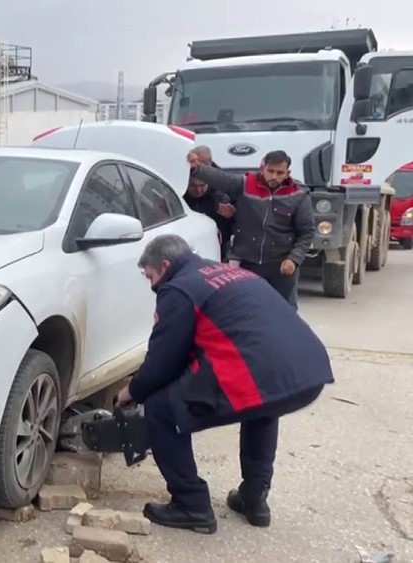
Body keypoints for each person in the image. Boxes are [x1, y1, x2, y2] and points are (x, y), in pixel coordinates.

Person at [117, 235, 332, 534]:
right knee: (262, 406)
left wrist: (133, 391)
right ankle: (254, 499)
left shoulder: (178, 289)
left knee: (160, 408)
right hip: (308, 371)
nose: (151, 284)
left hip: (266, 369)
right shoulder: (233, 273)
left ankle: (190, 505)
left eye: (150, 277)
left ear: (164, 266)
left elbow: (163, 361)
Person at [188, 149, 315, 308]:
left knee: (284, 311)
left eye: (280, 172)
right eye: (271, 171)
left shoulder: (299, 194)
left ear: (287, 173)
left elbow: (307, 232)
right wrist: (196, 168)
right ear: (262, 168)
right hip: (249, 264)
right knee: (250, 310)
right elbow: (221, 179)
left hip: (281, 266)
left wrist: (294, 259)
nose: (274, 176)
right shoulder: (245, 185)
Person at [184, 177, 234, 263]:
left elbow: (233, 229)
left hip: (216, 245)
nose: (198, 190)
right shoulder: (182, 198)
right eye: (193, 186)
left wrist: (231, 217)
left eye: (202, 186)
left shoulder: (219, 199)